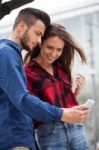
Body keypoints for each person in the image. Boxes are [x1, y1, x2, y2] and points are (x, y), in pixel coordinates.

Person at [0, 8, 90, 150]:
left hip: (26, 138)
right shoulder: (5, 53)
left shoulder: (13, 54)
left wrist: (74, 97)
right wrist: (62, 114)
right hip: (17, 139)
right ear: (22, 26)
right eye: (38, 34)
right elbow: (23, 99)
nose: (38, 40)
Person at [25, 23, 90, 150]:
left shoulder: (61, 68)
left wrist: (76, 92)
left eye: (59, 49)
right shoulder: (28, 72)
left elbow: (60, 102)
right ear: (40, 43)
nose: (53, 54)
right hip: (51, 133)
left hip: (75, 129)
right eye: (50, 47)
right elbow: (33, 108)